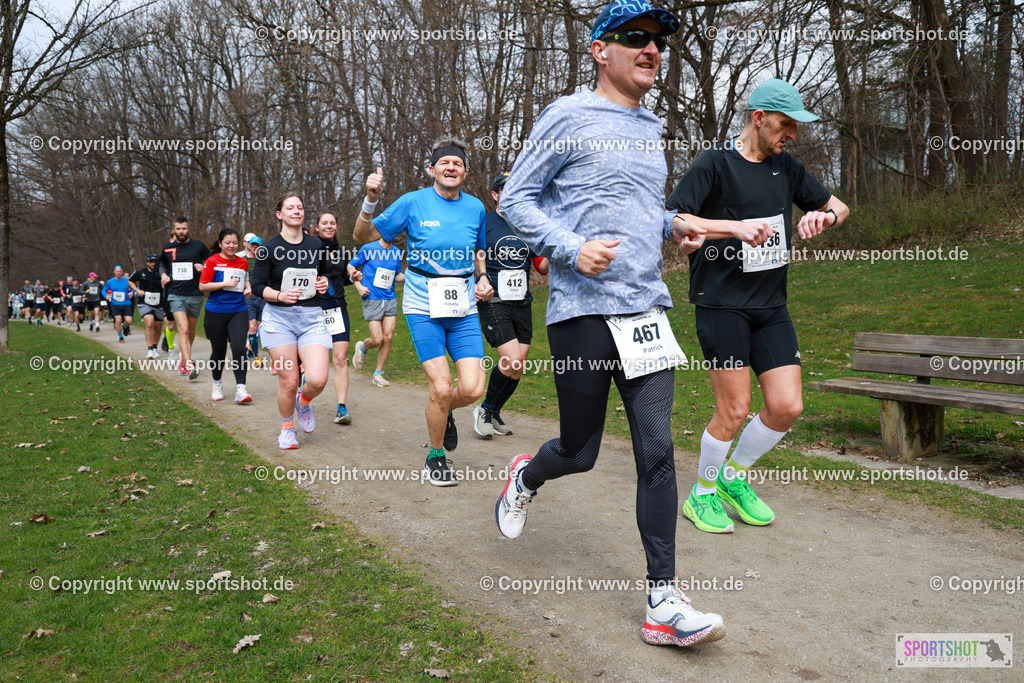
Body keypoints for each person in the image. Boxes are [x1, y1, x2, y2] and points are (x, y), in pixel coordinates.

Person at [493, 0, 725, 648]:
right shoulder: (568, 116)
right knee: (582, 450)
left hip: (646, 308)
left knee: (657, 452)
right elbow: (516, 199)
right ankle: (527, 476)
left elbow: (640, 210)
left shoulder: (651, 127)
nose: (651, 48)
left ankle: (663, 599)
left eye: (658, 41)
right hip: (583, 311)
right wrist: (571, 247)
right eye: (635, 38)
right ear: (601, 49)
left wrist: (674, 224)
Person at [666, 78, 849, 533]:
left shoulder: (786, 167)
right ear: (759, 118)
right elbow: (677, 217)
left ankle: (733, 478)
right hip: (722, 304)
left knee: (787, 406)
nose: (791, 134)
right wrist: (735, 228)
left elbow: (841, 207)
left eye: (795, 127)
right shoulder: (714, 162)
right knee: (733, 410)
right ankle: (702, 493)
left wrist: (821, 215)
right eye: (785, 125)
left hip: (771, 306)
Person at [353, 139, 493, 486]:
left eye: (456, 163)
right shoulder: (412, 202)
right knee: (442, 386)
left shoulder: (475, 207)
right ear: (432, 170)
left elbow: (479, 251)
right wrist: (371, 199)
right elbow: (362, 236)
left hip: (462, 306)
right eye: (443, 162)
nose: (450, 167)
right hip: (422, 306)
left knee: (474, 389)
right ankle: (435, 456)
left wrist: (485, 276)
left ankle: (443, 414)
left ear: (464, 172)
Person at [250, 192, 330, 449]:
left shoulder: (317, 246)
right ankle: (287, 429)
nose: (296, 211)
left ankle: (303, 403)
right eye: (290, 207)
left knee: (317, 379)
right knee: (290, 381)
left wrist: (323, 283)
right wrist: (281, 295)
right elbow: (257, 286)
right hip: (279, 319)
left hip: (311, 318)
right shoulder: (269, 249)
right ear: (279, 214)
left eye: (300, 207)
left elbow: (325, 279)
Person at [473, 171, 548, 438]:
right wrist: (479, 280)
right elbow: (473, 252)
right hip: (493, 299)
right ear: (495, 195)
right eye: (506, 189)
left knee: (518, 366)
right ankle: (483, 410)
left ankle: (494, 412)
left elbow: (542, 266)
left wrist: (561, 250)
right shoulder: (485, 221)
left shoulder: (529, 224)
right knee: (511, 358)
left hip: (522, 302)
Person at [199, 229, 253, 404]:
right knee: (219, 351)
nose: (231, 246)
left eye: (234, 242)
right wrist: (224, 283)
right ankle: (217, 383)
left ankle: (241, 389)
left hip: (238, 310)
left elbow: (245, 280)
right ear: (221, 244)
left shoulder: (242, 262)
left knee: (239, 348)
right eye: (228, 242)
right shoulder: (212, 261)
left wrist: (248, 288)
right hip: (216, 312)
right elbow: (202, 286)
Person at [312, 213, 355, 424]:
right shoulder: (308, 249)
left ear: (337, 227)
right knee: (313, 362)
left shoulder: (342, 253)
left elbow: (341, 279)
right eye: (324, 223)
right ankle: (304, 392)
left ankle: (341, 408)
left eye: (332, 223)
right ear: (317, 227)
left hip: (338, 307)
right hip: (314, 309)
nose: (329, 226)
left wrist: (353, 277)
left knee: (340, 358)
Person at [159, 216, 211, 379]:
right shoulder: (168, 248)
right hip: (175, 294)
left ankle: (184, 357)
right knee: (184, 328)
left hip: (195, 293)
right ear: (173, 230)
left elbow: (211, 263)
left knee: (192, 330)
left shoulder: (198, 246)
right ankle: (189, 363)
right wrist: (163, 275)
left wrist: (204, 268)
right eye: (178, 229)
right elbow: (162, 264)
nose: (181, 232)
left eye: (184, 228)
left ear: (188, 229)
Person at [348, 237, 404, 387]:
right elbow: (351, 266)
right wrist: (359, 286)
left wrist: (410, 276)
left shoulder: (397, 252)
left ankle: (377, 374)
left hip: (390, 299)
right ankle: (362, 348)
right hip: (371, 298)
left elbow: (396, 275)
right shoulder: (368, 248)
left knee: (388, 337)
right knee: (377, 339)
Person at [129, 255, 167, 358]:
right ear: (147, 262)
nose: (153, 263)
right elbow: (130, 281)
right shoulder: (141, 272)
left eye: (155, 261)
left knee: (158, 326)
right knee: (149, 323)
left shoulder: (161, 273)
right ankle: (150, 349)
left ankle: (155, 347)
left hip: (159, 303)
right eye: (151, 262)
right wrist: (137, 290)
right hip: (144, 302)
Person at [242, 233, 268, 369]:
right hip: (248, 298)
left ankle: (251, 348)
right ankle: (257, 357)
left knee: (258, 327)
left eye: (258, 245)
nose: (255, 247)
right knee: (252, 326)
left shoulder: (265, 260)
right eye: (253, 245)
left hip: (262, 298)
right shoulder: (244, 261)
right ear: (249, 245)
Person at [102, 266, 135, 343]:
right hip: (115, 303)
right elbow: (104, 290)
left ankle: (125, 327)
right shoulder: (110, 282)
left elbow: (134, 288)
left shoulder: (128, 280)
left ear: (122, 272)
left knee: (129, 321)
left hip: (126, 303)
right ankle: (121, 337)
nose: (118, 273)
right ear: (114, 272)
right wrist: (106, 296)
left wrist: (132, 293)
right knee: (118, 320)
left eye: (120, 271)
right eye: (117, 271)